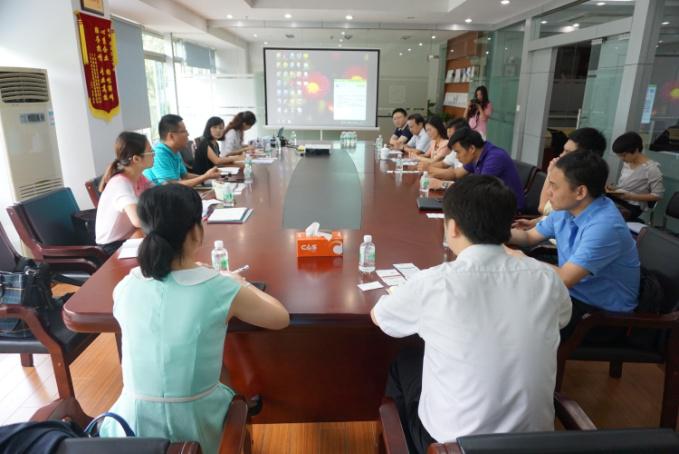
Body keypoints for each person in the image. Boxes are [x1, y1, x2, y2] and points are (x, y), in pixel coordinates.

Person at [371, 175, 571, 453]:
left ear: (452, 227)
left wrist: (402, 295)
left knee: (405, 361)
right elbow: (563, 318)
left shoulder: (435, 282)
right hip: (534, 444)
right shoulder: (547, 279)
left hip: (455, 446)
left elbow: (380, 317)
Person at [99, 183, 289, 453]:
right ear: (196, 231)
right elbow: (280, 318)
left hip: (131, 430)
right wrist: (239, 282)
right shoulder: (218, 288)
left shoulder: (126, 286)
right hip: (196, 427)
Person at [508, 151, 640, 337]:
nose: (548, 192)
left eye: (554, 186)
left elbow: (565, 278)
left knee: (514, 322)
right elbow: (529, 237)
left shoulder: (605, 226)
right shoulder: (566, 209)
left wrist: (517, 257)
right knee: (507, 300)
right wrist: (489, 232)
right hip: (571, 295)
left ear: (580, 192)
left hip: (601, 316)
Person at [513, 127, 608, 231]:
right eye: (563, 150)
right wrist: (537, 222)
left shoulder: (576, 187)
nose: (561, 156)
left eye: (567, 152)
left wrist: (552, 173)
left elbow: (544, 208)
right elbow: (556, 216)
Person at [429, 127, 525, 211]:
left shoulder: (495, 157)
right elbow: (456, 173)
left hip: (509, 211)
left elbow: (477, 190)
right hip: (488, 205)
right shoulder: (476, 155)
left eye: (458, 152)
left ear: (471, 148)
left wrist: (443, 184)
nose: (457, 157)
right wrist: (431, 173)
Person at [95, 132, 154, 254]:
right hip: (111, 248)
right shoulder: (120, 184)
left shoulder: (139, 177)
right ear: (136, 159)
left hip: (131, 236)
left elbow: (160, 196)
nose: (154, 154)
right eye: (150, 151)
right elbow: (138, 220)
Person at [144, 114, 220, 187]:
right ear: (171, 136)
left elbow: (184, 175)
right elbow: (170, 186)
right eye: (184, 131)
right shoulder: (159, 154)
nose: (188, 134)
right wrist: (205, 177)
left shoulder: (175, 150)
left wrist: (208, 178)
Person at [608, 131, 664, 220]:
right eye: (619, 156)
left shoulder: (651, 169)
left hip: (633, 206)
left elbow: (658, 195)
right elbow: (627, 185)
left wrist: (631, 196)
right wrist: (614, 189)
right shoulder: (627, 162)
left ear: (636, 150)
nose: (621, 159)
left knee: (605, 211)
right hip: (621, 199)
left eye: (623, 155)